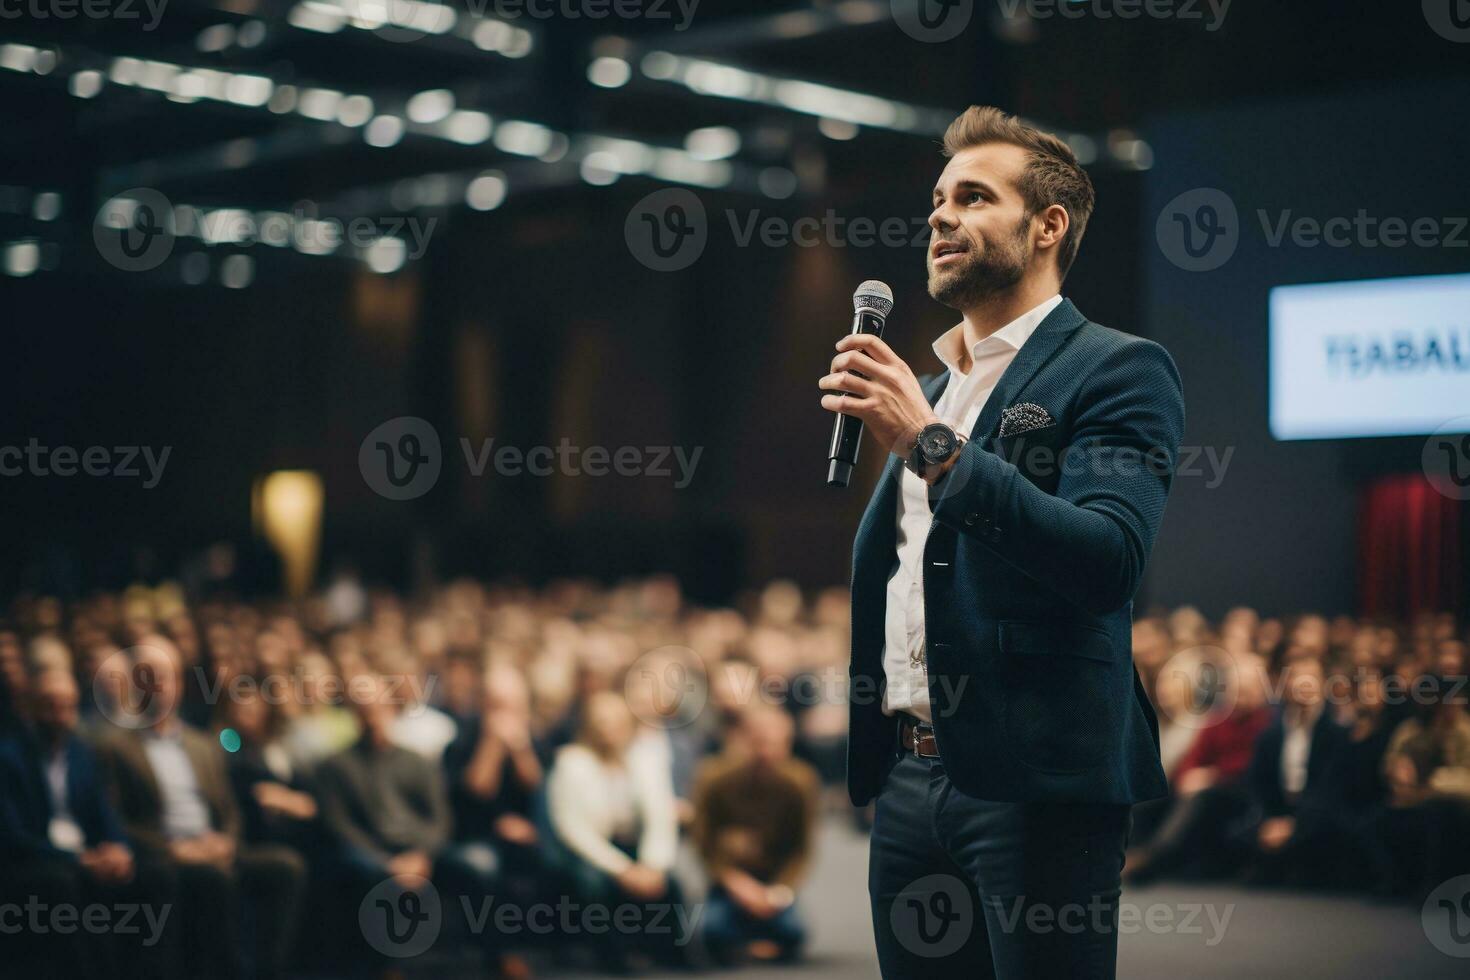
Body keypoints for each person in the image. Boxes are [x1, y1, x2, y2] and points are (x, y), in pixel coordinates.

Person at [826, 105, 1184, 978]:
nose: (941, 216)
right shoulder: (933, 386)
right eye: (938, 200)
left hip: (1038, 786)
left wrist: (930, 447)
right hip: (909, 783)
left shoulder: (1116, 367)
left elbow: (1106, 559)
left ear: (1047, 225)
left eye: (975, 197)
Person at [95, 639, 307, 980]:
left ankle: (268, 971)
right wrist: (174, 850)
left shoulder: (203, 744)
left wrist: (226, 842)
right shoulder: (115, 747)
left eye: (166, 677)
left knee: (286, 866)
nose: (159, 686)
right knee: (213, 880)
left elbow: (229, 810)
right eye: (149, 677)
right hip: (163, 854)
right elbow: (116, 819)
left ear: (179, 684)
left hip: (212, 846)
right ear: (134, 684)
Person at [0, 667, 169, 980]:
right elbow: (13, 837)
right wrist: (80, 860)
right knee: (64, 882)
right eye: (50, 706)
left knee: (153, 875)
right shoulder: (9, 757)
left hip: (85, 855)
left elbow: (106, 813)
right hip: (38, 861)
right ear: (30, 707)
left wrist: (119, 849)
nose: (60, 716)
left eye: (67, 707)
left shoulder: (81, 754)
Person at [545, 690, 684, 970]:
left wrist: (652, 865)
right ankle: (613, 958)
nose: (608, 730)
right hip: (589, 852)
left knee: (675, 879)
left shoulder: (646, 759)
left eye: (616, 722)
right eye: (601, 722)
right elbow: (573, 830)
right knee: (593, 883)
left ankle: (670, 954)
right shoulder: (571, 763)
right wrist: (622, 870)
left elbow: (661, 816)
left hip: (634, 846)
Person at [691, 706, 820, 964]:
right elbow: (703, 842)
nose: (767, 752)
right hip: (729, 880)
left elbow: (802, 849)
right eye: (760, 743)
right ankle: (753, 940)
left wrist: (777, 892)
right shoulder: (713, 777)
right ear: (743, 740)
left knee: (794, 932)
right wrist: (736, 883)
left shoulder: (801, 782)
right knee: (711, 932)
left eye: (776, 744)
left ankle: (746, 941)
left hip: (773, 881)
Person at [1242, 658, 1349, 885]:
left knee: (1322, 827)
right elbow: (1257, 782)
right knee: (1239, 828)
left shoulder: (1336, 733)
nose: (1304, 684)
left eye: (1311, 677)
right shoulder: (1271, 733)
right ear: (1286, 685)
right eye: (1298, 677)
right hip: (1279, 807)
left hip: (1315, 811)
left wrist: (1294, 823)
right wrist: (1270, 818)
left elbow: (1330, 788)